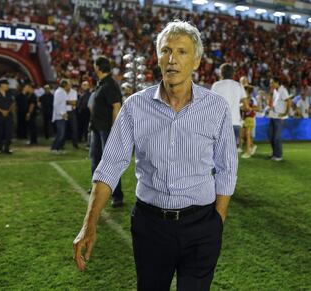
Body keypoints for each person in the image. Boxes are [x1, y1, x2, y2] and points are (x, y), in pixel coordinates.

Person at [73, 20, 238, 291]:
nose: (172, 59)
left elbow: (227, 168)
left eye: (182, 52)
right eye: (166, 50)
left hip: (201, 224)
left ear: (196, 62)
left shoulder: (216, 108)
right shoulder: (135, 106)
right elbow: (110, 166)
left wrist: (216, 222)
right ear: (158, 57)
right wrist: (89, 223)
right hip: (151, 226)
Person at [89, 55, 124, 207]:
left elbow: (116, 106)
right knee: (95, 159)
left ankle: (117, 195)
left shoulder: (109, 84)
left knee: (110, 162)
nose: (93, 68)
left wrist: (115, 130)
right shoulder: (102, 83)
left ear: (99, 67)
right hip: (97, 128)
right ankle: (97, 188)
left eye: (95, 65)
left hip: (106, 129)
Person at [211, 63, 248, 149]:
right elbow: (246, 106)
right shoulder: (239, 85)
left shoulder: (216, 85)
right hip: (235, 123)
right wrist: (236, 105)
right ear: (233, 73)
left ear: (221, 73)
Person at [268, 77, 291, 161]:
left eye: (272, 82)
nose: (271, 84)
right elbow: (272, 103)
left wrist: (285, 113)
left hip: (279, 118)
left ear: (277, 82)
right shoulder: (274, 91)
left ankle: (278, 155)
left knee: (277, 137)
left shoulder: (283, 90)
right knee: (270, 136)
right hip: (273, 116)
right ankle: (274, 152)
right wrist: (270, 94)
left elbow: (288, 101)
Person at [0, 78, 15, 154]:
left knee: (9, 132)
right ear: (1, 85)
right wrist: (2, 111)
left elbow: (13, 103)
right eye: (6, 84)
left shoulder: (10, 92)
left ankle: (7, 148)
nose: (7, 85)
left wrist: (8, 111)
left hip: (8, 115)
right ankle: (0, 147)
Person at [51, 79, 70, 153]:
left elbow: (63, 104)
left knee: (62, 133)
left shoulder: (62, 92)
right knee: (60, 133)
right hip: (59, 116)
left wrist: (65, 113)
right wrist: (62, 113)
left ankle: (58, 148)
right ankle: (54, 148)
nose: (69, 86)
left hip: (62, 115)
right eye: (68, 85)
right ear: (65, 85)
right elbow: (56, 105)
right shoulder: (59, 92)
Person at [241, 85, 258, 159]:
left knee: (247, 135)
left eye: (245, 90)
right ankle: (253, 146)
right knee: (245, 135)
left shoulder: (252, 99)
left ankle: (248, 152)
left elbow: (257, 108)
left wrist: (248, 108)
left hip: (250, 118)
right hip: (245, 118)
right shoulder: (245, 99)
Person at [65, 81, 79, 149]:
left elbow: (74, 103)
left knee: (74, 128)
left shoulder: (74, 92)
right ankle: (61, 144)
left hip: (72, 112)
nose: (68, 86)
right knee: (63, 129)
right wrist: (69, 102)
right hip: (63, 111)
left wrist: (65, 101)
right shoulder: (61, 92)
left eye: (69, 85)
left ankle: (75, 145)